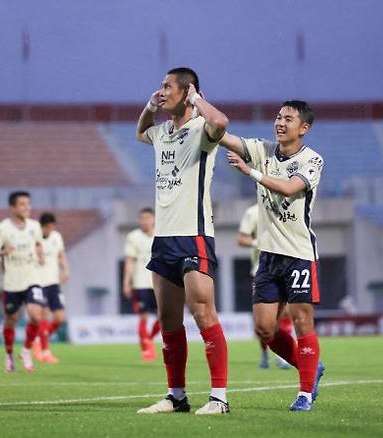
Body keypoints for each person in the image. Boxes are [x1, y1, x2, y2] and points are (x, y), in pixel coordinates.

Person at [135, 67, 230, 415]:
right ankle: (177, 396)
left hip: (194, 235)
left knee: (204, 313)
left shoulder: (201, 129)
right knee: (169, 322)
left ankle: (219, 398)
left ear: (187, 91)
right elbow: (140, 131)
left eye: (167, 87)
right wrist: (149, 104)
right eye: (160, 86)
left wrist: (197, 101)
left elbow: (221, 123)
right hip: (163, 239)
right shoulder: (161, 132)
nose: (161, 91)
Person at [221, 100, 325, 411]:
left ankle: (304, 394)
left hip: (298, 254)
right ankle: (310, 368)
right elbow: (226, 136)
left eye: (288, 119)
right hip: (267, 257)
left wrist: (249, 171)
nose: (280, 123)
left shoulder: (312, 160)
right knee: (264, 329)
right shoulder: (263, 149)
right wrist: (197, 106)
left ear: (303, 128)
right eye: (278, 117)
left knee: (301, 322)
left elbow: (289, 188)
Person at [0, 191, 45, 373]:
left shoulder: (35, 226)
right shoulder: (2, 228)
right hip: (12, 281)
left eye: (28, 204)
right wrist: (3, 251)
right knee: (12, 318)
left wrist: (40, 255)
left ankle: (26, 350)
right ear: (12, 207)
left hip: (32, 277)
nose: (27, 207)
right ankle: (9, 355)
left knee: (36, 315)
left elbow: (38, 243)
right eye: (22, 204)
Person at [238, 203, 293, 370]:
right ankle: (264, 353)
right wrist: (259, 242)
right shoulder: (253, 211)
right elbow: (242, 239)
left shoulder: (288, 207)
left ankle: (282, 356)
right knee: (264, 322)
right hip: (260, 271)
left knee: (286, 314)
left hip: (286, 269)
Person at [123, 207, 160, 361]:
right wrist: (126, 282)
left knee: (163, 317)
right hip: (141, 283)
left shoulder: (161, 235)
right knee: (143, 316)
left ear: (154, 219)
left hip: (159, 282)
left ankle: (148, 339)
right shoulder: (133, 237)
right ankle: (147, 348)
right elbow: (130, 261)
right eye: (142, 218)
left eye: (148, 218)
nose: (145, 221)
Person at [32, 212, 69, 364]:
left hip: (54, 283)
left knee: (60, 318)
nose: (50, 230)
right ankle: (45, 352)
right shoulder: (34, 238)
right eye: (48, 227)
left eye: (52, 227)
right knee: (44, 316)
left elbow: (61, 255)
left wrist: (65, 270)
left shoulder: (56, 237)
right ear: (42, 227)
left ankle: (37, 339)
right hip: (39, 283)